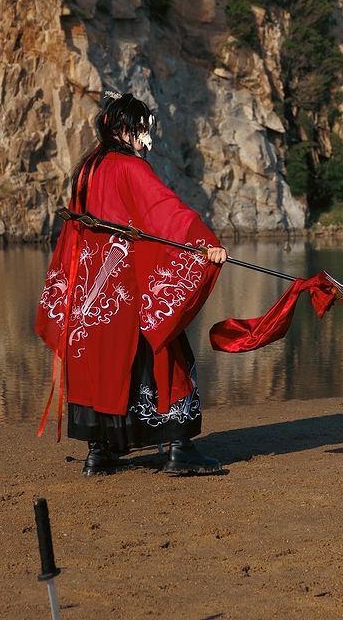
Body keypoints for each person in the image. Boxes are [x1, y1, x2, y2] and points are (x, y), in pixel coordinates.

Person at [34, 91, 227, 476]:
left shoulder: (88, 168)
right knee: (166, 355)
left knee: (98, 367)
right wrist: (207, 245)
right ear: (124, 129)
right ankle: (178, 448)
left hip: (91, 292)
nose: (146, 138)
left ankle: (100, 452)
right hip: (126, 290)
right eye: (141, 129)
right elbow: (164, 212)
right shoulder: (130, 168)